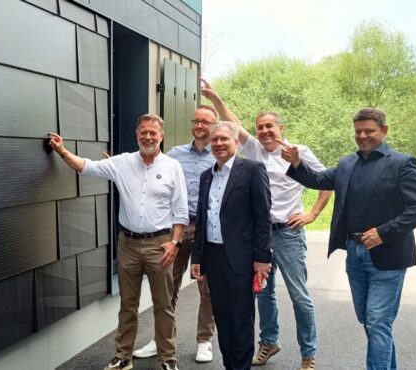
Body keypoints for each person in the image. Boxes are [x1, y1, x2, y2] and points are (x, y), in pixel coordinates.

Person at [279, 108, 416, 370]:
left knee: (377, 321)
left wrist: (383, 232)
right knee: (370, 320)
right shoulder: (347, 163)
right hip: (355, 254)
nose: (362, 136)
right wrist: (296, 163)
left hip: (389, 256)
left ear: (384, 131)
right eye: (358, 131)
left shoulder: (402, 163)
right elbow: (317, 179)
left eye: (369, 131)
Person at [201, 79, 331, 370]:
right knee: (264, 294)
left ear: (281, 128)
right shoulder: (257, 150)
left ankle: (308, 354)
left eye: (269, 126)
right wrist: (216, 98)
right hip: (259, 237)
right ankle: (269, 342)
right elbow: (232, 125)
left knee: (299, 296)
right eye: (260, 127)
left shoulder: (298, 151)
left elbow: (327, 182)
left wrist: (312, 214)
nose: (264, 131)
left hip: (288, 234)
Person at [49, 113, 188, 370]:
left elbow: (180, 210)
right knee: (128, 304)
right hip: (129, 245)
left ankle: (168, 358)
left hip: (161, 244)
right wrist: (62, 151)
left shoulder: (172, 166)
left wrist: (175, 243)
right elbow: (86, 166)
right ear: (137, 134)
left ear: (161, 136)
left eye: (153, 133)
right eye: (143, 132)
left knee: (164, 304)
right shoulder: (122, 162)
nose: (148, 137)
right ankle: (123, 357)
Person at [132, 104, 218, 363]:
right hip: (176, 228)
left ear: (214, 126)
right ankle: (161, 340)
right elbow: (148, 169)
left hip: (208, 229)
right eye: (196, 121)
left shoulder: (222, 153)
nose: (200, 125)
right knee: (167, 287)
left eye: (205, 121)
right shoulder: (175, 154)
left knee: (207, 288)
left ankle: (204, 340)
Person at [191, 122, 273, 370]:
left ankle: (241, 367)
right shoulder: (207, 176)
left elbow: (263, 216)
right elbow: (202, 219)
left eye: (224, 139)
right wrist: (197, 258)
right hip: (214, 257)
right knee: (223, 317)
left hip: (242, 258)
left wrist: (262, 258)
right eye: (214, 140)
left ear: (236, 143)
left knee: (241, 318)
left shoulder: (252, 169)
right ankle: (231, 366)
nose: (218, 144)